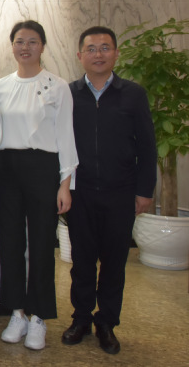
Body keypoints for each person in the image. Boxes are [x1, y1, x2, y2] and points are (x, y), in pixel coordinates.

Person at [61, 26, 157, 354]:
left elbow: (147, 145)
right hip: (81, 192)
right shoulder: (69, 94)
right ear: (80, 56)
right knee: (82, 260)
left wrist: (144, 190)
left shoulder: (133, 94)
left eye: (105, 48)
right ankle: (81, 318)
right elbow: (60, 145)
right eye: (91, 49)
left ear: (116, 53)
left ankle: (107, 323)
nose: (98, 54)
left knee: (115, 262)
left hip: (121, 191)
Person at [0, 19, 78, 350]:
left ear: (42, 46)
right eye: (19, 41)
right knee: (10, 243)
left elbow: (65, 135)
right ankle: (17, 313)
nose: (25, 47)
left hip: (43, 168)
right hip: (7, 170)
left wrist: (65, 183)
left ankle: (39, 316)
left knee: (42, 245)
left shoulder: (58, 86)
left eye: (32, 41)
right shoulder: (1, 86)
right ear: (12, 46)